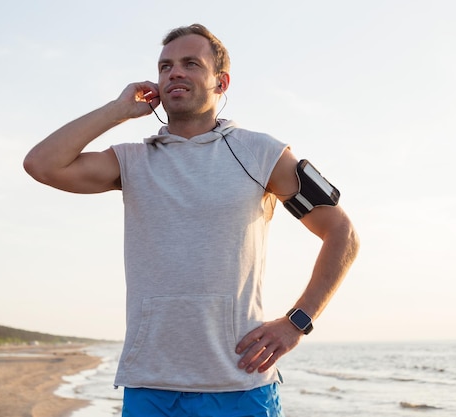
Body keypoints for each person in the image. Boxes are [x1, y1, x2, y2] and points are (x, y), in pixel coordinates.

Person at [24, 23, 359, 417]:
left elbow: (342, 233)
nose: (174, 73)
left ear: (222, 81)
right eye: (165, 67)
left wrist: (296, 322)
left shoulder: (262, 154)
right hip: (150, 383)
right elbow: (41, 164)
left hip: (239, 381)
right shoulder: (132, 161)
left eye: (190, 64)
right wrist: (118, 111)